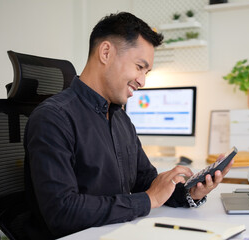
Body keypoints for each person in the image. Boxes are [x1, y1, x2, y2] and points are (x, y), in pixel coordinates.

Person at [24, 12, 233, 239]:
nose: (142, 81)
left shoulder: (121, 119)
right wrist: (148, 199)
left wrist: (189, 193)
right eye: (139, 67)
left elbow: (146, 182)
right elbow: (63, 212)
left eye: (146, 72)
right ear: (106, 53)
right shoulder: (53, 118)